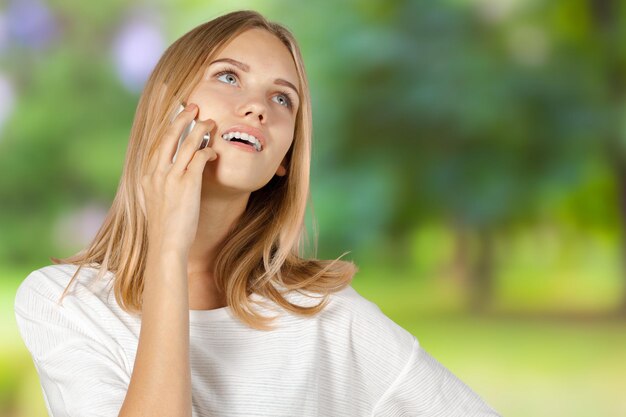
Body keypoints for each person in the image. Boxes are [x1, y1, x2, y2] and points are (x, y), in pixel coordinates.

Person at [14, 9, 501, 417]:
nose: (257, 107)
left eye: (281, 98)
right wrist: (168, 247)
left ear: (284, 158)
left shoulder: (325, 314)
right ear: (166, 108)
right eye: (228, 77)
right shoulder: (64, 303)